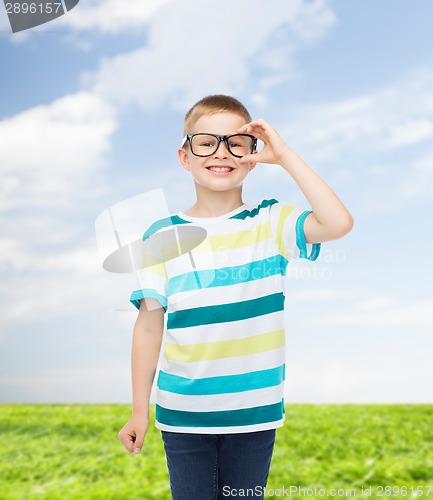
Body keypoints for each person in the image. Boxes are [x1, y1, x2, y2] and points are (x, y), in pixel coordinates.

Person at [118, 95, 354, 499]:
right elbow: (149, 324)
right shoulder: (161, 235)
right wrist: (140, 409)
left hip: (254, 412)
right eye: (206, 142)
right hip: (183, 414)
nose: (221, 152)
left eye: (236, 143)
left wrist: (286, 156)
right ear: (184, 156)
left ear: (253, 154)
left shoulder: (271, 220)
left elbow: (337, 223)